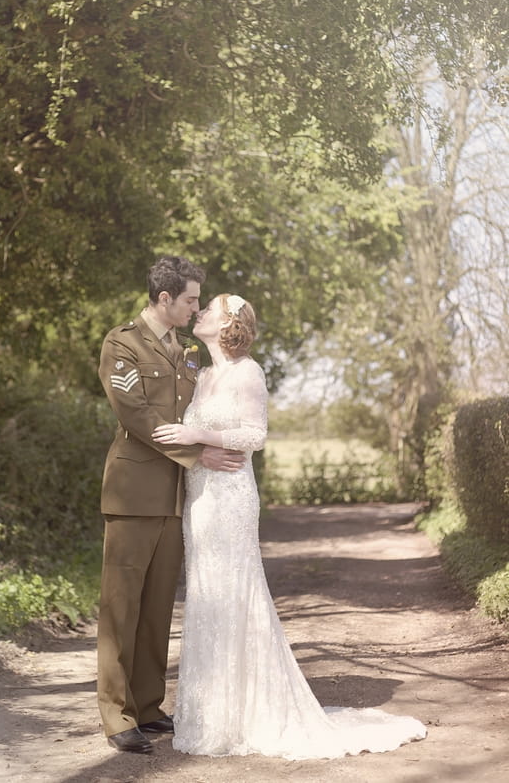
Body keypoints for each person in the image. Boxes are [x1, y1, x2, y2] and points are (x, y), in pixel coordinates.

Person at [152, 293, 427, 760]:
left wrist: (199, 434)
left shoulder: (248, 373)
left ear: (228, 324)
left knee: (237, 591)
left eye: (209, 309)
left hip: (233, 498)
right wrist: (194, 446)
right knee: (206, 593)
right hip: (200, 498)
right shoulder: (203, 374)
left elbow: (254, 435)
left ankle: (250, 713)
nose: (198, 312)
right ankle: (212, 713)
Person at [97, 257, 244, 755]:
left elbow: (194, 413)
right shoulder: (122, 343)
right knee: (121, 609)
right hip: (133, 495)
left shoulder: (186, 352)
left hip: (178, 498)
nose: (195, 307)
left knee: (158, 609)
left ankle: (148, 705)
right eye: (190, 300)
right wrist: (198, 452)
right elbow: (135, 414)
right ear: (165, 299)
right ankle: (117, 716)